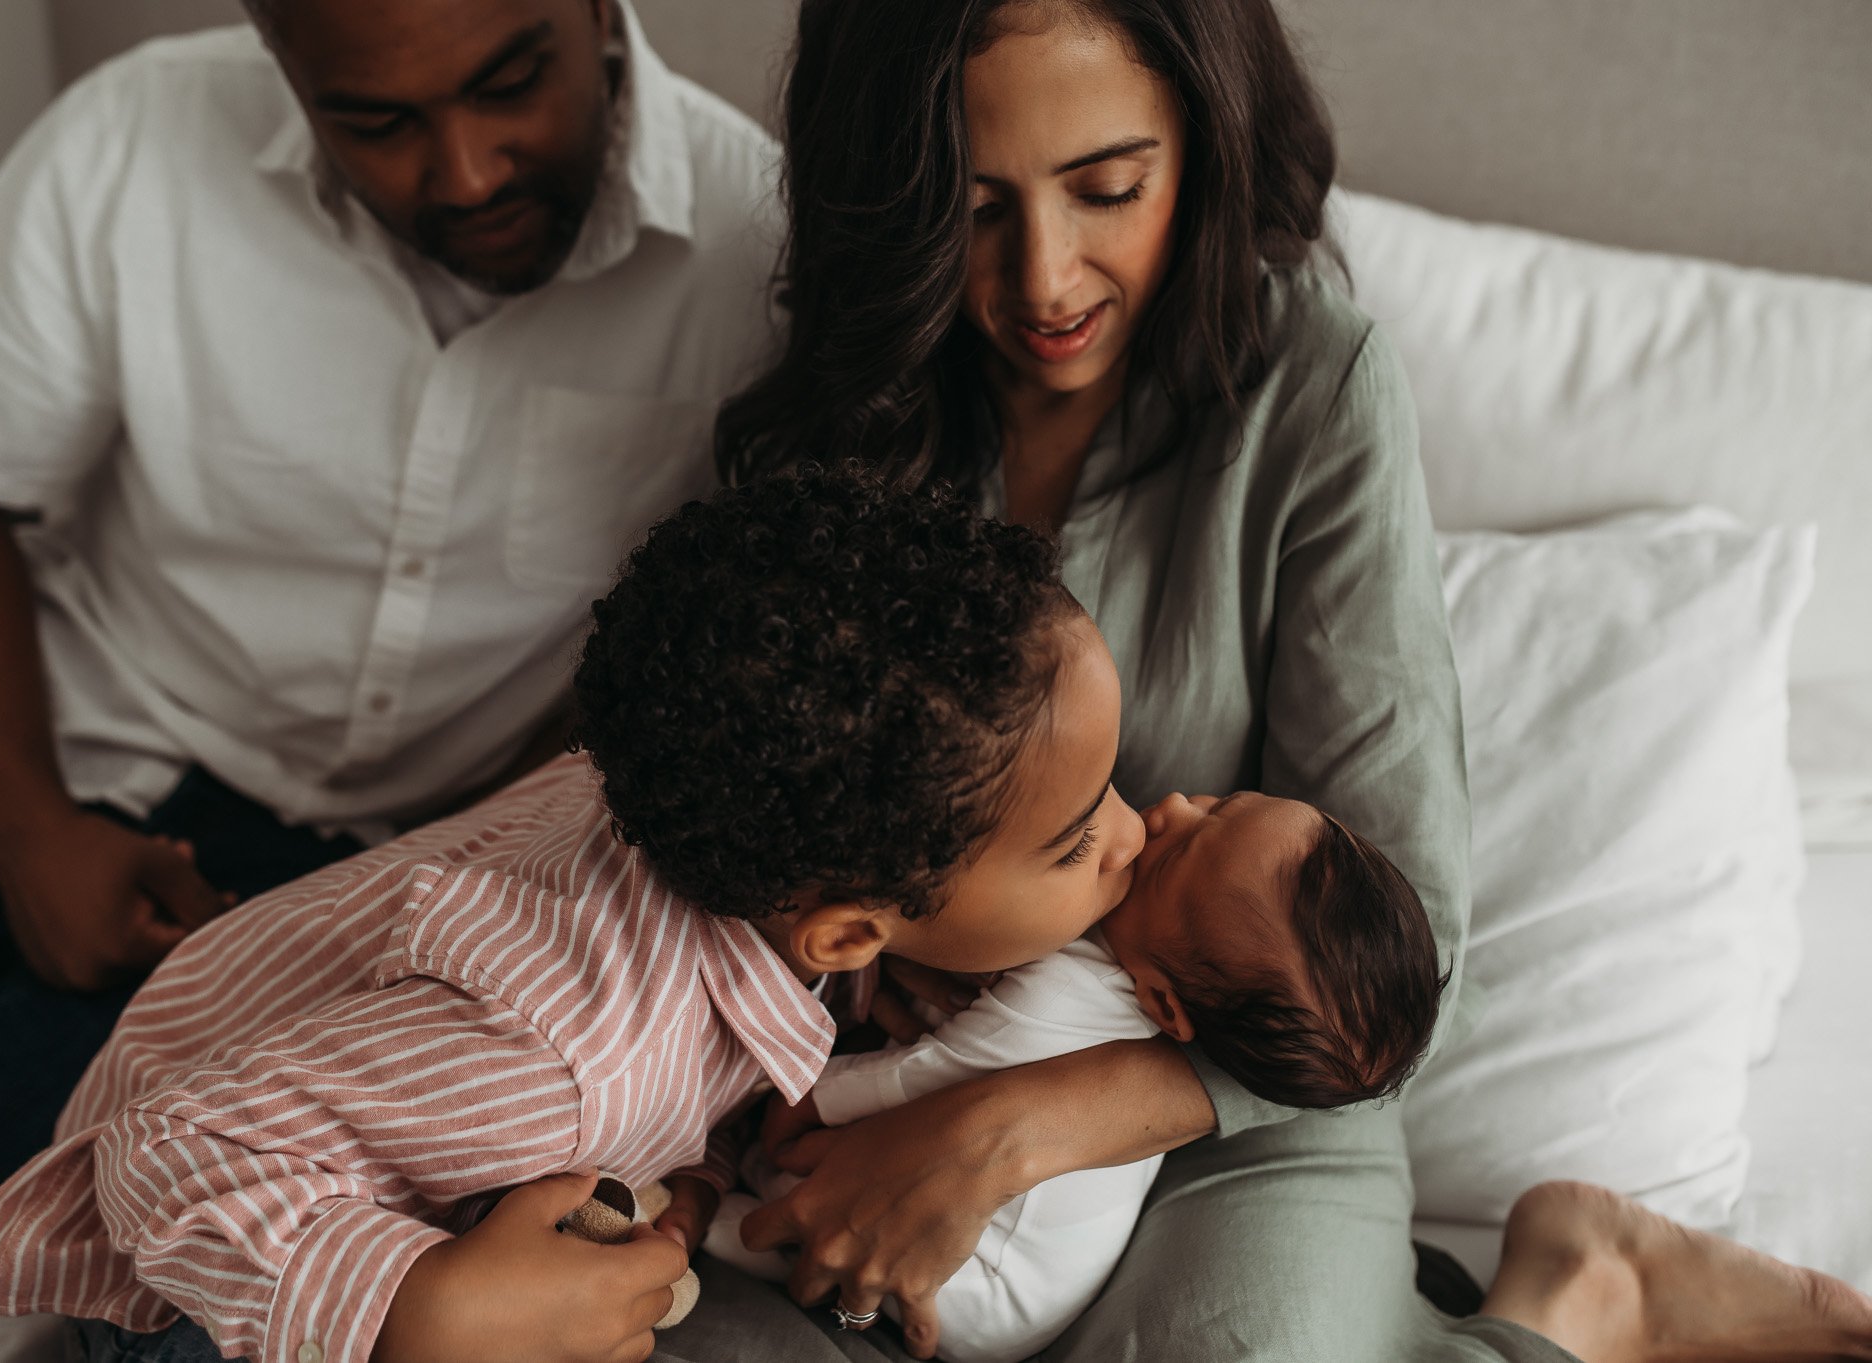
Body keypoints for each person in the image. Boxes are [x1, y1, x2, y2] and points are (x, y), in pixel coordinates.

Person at [687, 2, 1872, 1361]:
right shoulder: (850, 398)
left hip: (1223, 1101)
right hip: (862, 1093)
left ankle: (1579, 1297)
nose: (1045, 281)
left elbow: (1414, 929)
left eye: (1109, 189)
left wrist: (1010, 1125)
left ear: (1205, 144)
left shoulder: (1309, 384)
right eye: (975, 208)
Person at [0, 0, 779, 1270]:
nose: (466, 171)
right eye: (375, 123)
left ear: (598, 12)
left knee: (33, 1205)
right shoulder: (138, 131)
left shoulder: (760, 250)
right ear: (281, 61)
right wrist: (28, 833)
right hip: (35, 713)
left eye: (510, 84)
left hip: (352, 868)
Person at [0, 470, 1145, 1363]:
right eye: (1077, 834)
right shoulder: (552, 1054)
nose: (1135, 832)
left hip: (344, 1079)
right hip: (196, 1284)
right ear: (841, 929)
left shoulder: (712, 809)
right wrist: (422, 1310)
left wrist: (692, 1159)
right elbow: (166, 1156)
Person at [703, 785, 1447, 1363]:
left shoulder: (1069, 992)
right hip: (1057, 1265)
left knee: (801, 1199)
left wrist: (810, 1098)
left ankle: (712, 1229)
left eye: (1177, 853)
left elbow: (930, 1073)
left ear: (1165, 1000)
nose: (1174, 807)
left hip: (993, 1293)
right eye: (1223, 803)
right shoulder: (1152, 967)